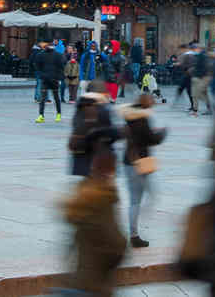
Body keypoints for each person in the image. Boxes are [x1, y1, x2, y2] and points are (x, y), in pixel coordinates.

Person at [60, 146, 126, 297]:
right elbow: (116, 243)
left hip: (79, 276)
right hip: (97, 283)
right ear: (112, 169)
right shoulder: (103, 198)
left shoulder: (82, 193)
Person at [121, 93, 166, 249]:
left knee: (142, 197)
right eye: (152, 101)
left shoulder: (130, 116)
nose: (153, 103)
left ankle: (135, 228)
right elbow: (151, 139)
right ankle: (134, 235)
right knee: (136, 201)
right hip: (139, 162)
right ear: (147, 103)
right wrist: (162, 134)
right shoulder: (142, 119)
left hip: (130, 161)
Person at [69, 92, 121, 178]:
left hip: (81, 159)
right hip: (100, 157)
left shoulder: (79, 110)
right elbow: (111, 133)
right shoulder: (102, 111)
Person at [34, 40, 65, 124]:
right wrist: (60, 78)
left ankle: (43, 115)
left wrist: (41, 75)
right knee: (54, 97)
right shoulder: (58, 55)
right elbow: (61, 67)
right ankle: (55, 114)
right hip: (52, 79)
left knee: (45, 98)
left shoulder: (41, 55)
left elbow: (37, 66)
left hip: (47, 79)